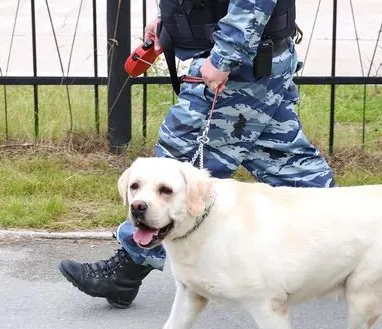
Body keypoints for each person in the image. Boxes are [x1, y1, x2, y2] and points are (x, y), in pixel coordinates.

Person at [58, 0, 336, 308]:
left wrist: (224, 58)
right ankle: (347, 246)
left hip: (239, 63)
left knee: (178, 165)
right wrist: (166, 19)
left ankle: (125, 269)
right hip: (252, 58)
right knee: (285, 162)